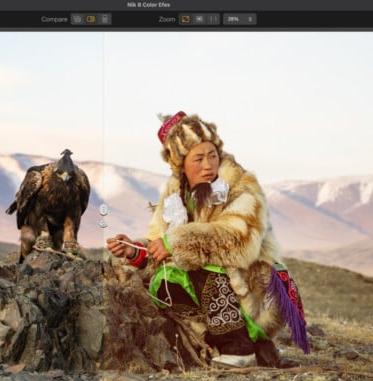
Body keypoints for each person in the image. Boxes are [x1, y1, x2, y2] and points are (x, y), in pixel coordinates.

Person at [107, 111, 308, 368]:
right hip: (221, 296)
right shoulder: (174, 196)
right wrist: (136, 251)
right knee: (164, 280)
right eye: (198, 158)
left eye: (212, 155)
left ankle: (239, 348)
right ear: (180, 164)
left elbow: (238, 241)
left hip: (256, 287)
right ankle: (247, 348)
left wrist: (176, 243)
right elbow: (161, 244)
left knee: (200, 266)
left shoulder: (240, 186)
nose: (208, 165)